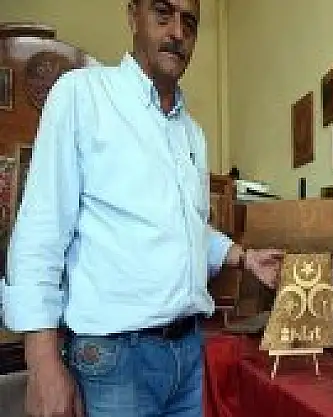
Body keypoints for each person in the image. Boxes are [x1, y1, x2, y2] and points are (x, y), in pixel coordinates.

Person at [1, 1, 283, 416]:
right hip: (115, 363)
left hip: (188, 356)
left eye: (189, 23)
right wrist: (42, 361)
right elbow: (41, 228)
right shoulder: (82, 95)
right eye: (162, 14)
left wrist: (244, 257)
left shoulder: (192, 133)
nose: (177, 32)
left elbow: (185, 229)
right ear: (133, 16)